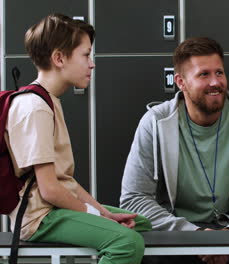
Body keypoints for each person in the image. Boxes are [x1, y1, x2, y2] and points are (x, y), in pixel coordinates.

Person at [120, 37, 229, 263]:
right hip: (176, 232)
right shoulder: (155, 123)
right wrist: (193, 236)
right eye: (203, 74)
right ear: (181, 81)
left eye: (219, 73)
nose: (215, 82)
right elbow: (134, 198)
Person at [5, 14, 151, 264]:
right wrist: (95, 214)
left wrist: (103, 212)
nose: (92, 64)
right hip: (41, 218)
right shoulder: (34, 107)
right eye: (85, 55)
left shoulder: (49, 100)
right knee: (127, 242)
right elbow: (50, 189)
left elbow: (65, 181)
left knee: (140, 223)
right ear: (59, 58)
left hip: (55, 209)